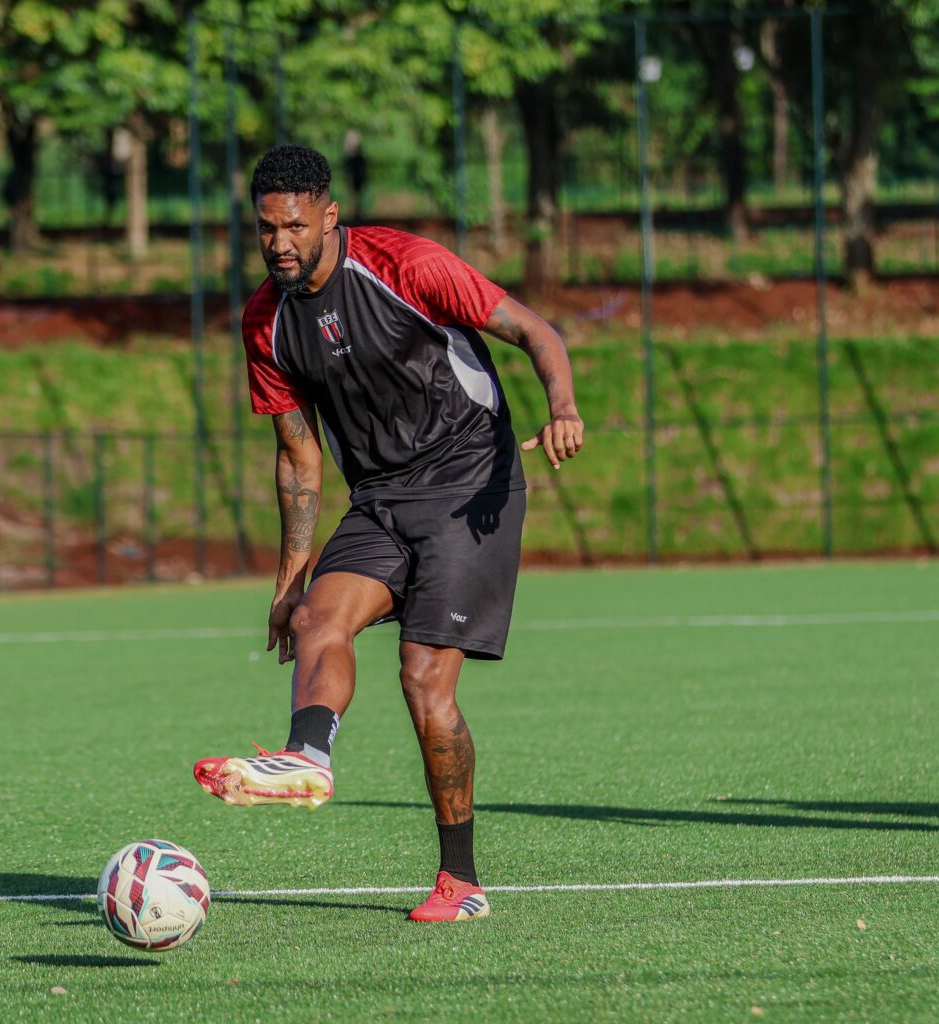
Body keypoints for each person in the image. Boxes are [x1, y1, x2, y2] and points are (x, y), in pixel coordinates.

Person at [193, 145, 583, 920]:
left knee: (422, 678)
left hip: (473, 481)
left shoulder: (407, 264)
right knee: (316, 621)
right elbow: (299, 459)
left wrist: (563, 407)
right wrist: (288, 580)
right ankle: (306, 758)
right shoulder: (264, 322)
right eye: (266, 228)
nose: (279, 243)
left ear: (329, 216)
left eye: (295, 226)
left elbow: (533, 330)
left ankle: (460, 881)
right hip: (380, 496)